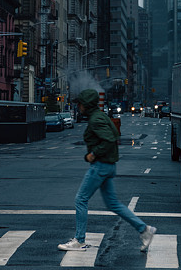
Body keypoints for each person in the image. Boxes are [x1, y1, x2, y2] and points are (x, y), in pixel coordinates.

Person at [58, 88, 156, 253]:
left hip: (100, 165)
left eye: (80, 104)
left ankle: (79, 240)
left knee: (81, 199)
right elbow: (113, 135)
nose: (79, 107)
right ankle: (144, 230)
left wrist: (93, 154)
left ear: (86, 105)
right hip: (108, 165)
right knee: (113, 204)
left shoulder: (96, 119)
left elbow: (110, 139)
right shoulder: (100, 116)